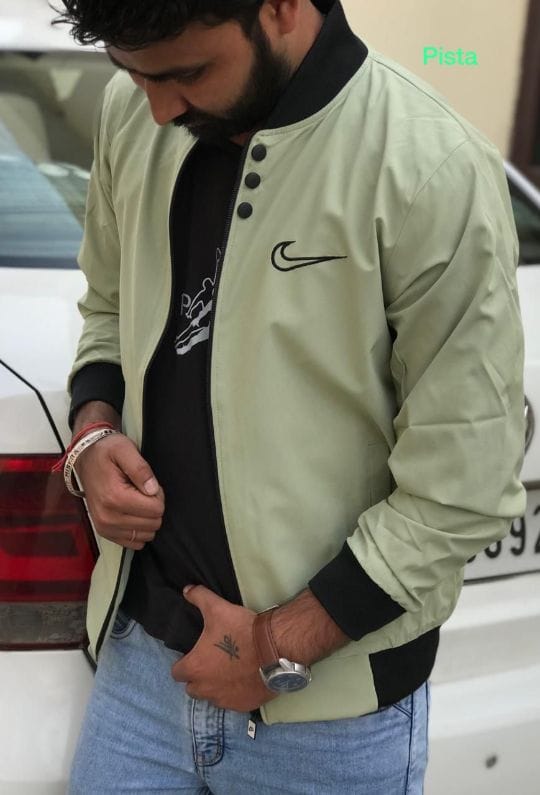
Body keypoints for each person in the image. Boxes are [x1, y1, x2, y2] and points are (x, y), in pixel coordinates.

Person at [56, 0, 525, 792]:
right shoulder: (131, 113)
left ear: (280, 6)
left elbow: (463, 480)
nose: (159, 110)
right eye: (132, 74)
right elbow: (107, 306)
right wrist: (93, 433)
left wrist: (277, 644)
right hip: (139, 676)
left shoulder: (430, 167)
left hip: (330, 716)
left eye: (186, 73)